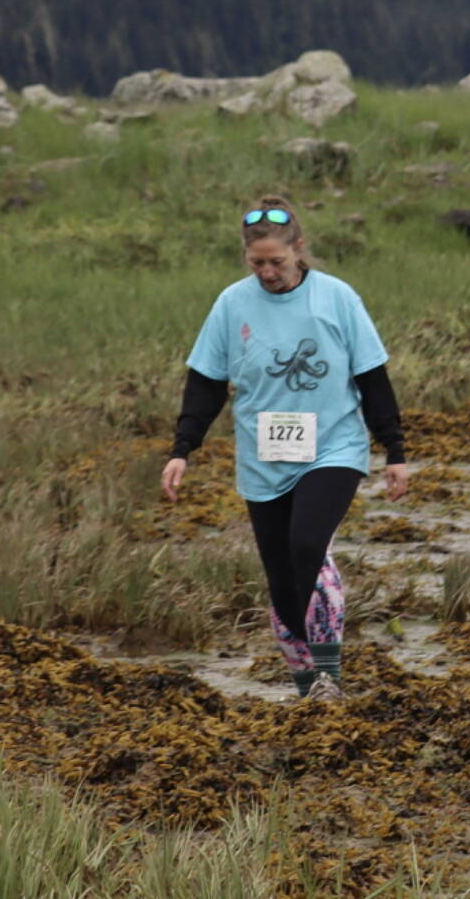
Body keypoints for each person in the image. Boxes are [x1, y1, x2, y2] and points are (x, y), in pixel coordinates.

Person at [160, 195, 409, 700]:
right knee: (280, 575)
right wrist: (182, 447)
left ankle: (328, 674)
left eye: (277, 261)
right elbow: (206, 382)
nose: (268, 272)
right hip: (263, 457)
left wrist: (395, 451)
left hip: (333, 447)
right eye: (258, 263)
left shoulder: (336, 297)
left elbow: (373, 378)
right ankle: (307, 688)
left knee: (307, 547)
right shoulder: (232, 304)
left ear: (299, 249)